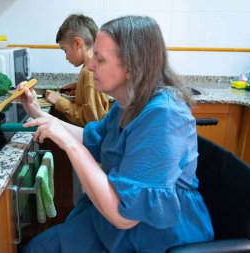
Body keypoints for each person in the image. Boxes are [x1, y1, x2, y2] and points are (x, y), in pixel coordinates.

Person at [18, 15, 214, 252]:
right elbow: (90, 138)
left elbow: (124, 215)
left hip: (155, 232)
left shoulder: (164, 115)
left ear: (132, 67)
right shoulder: (128, 101)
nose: (90, 66)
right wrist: (36, 111)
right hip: (115, 220)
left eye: (100, 59)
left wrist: (70, 146)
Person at [45, 14, 109, 127]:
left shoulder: (90, 72)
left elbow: (91, 121)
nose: (66, 57)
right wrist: (79, 87)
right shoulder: (89, 68)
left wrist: (59, 101)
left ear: (77, 43)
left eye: (65, 50)